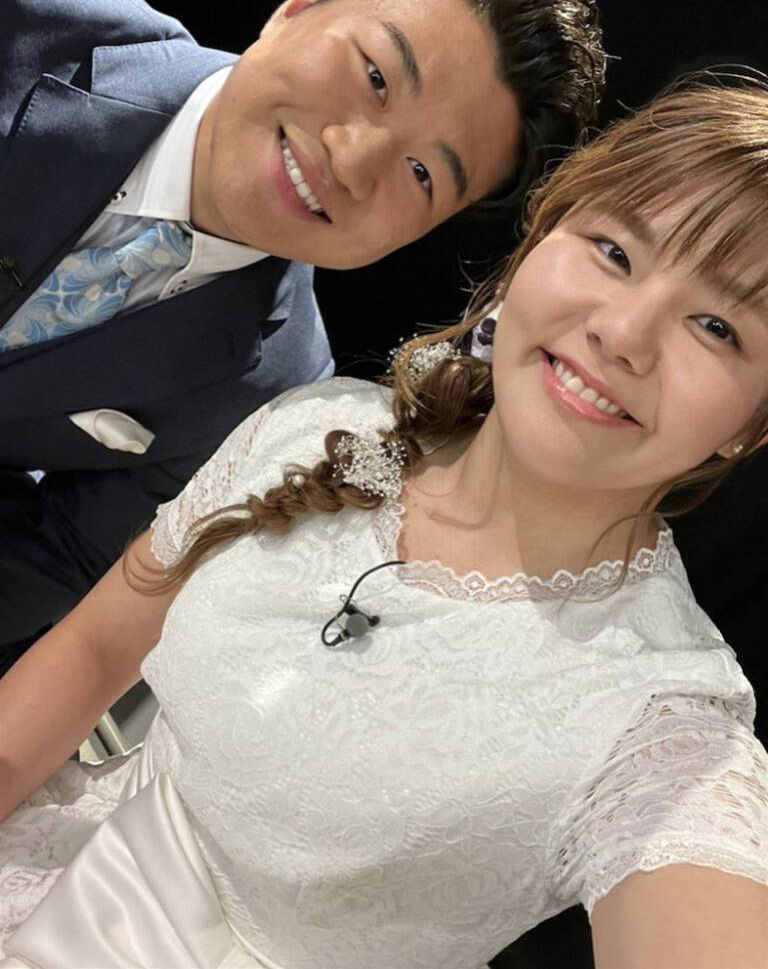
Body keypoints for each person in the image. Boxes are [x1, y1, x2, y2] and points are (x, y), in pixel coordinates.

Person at [3, 83, 768, 969]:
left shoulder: (663, 719)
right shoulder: (319, 427)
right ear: (537, 241)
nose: (623, 332)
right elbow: (95, 649)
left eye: (717, 326)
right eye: (614, 250)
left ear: (753, 426)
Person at [0, 0, 605, 665]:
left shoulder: (273, 401)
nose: (352, 160)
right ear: (302, 3)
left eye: (421, 173)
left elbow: (60, 558)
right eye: (376, 77)